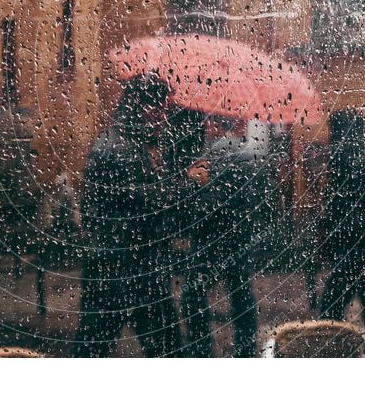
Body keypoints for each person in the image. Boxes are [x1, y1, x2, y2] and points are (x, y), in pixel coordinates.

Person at [74, 74, 182, 357]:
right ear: (139, 105)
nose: (162, 117)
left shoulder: (124, 142)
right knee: (165, 347)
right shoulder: (121, 149)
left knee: (94, 345)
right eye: (158, 109)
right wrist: (188, 182)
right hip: (126, 266)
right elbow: (150, 201)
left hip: (118, 263)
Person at [179, 116, 260, 357]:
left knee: (192, 295)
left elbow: (208, 203)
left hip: (210, 238)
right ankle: (246, 351)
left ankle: (201, 351)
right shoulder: (250, 154)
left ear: (216, 124)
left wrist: (194, 186)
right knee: (241, 295)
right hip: (240, 236)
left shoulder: (212, 154)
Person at [318, 110, 365, 322]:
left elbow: (337, 202)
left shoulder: (343, 155)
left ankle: (336, 349)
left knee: (330, 310)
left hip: (351, 243)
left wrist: (325, 227)